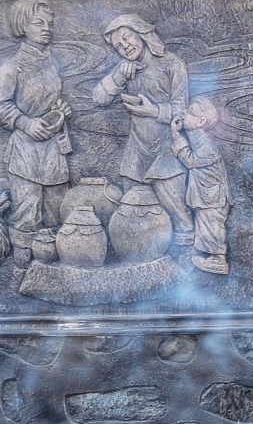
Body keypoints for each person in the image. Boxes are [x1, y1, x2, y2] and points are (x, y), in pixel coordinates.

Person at [92, 14, 193, 247]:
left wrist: (154, 111)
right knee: (133, 216)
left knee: (180, 216)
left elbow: (181, 111)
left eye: (127, 38)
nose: (125, 46)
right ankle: (144, 264)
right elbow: (98, 98)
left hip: (167, 153)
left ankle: (188, 273)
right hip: (136, 155)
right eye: (118, 45)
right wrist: (118, 76)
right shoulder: (125, 69)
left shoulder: (172, 63)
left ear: (141, 33)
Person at [0, 0, 71, 262]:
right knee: (27, 212)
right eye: (38, 23)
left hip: (54, 150)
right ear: (23, 26)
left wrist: (60, 111)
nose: (47, 28)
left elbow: (48, 98)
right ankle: (21, 271)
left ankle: (53, 273)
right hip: (26, 153)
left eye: (50, 23)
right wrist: (25, 122)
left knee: (58, 211)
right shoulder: (11, 67)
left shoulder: (52, 62)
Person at [171, 97, 231, 275]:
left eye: (190, 113)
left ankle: (219, 261)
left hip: (213, 198)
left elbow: (190, 160)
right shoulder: (199, 138)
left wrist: (175, 135)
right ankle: (213, 257)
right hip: (206, 196)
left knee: (212, 228)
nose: (185, 115)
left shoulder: (207, 147)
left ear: (201, 121)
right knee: (206, 227)